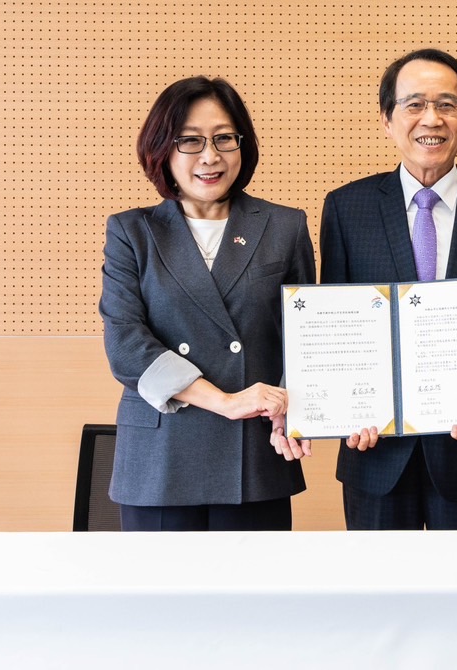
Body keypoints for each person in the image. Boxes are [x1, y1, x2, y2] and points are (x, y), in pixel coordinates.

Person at [319, 48, 457, 530]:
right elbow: (335, 328)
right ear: (387, 119)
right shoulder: (346, 209)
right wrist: (348, 405)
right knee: (380, 580)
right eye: (414, 104)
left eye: (447, 104)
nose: (431, 119)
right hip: (374, 449)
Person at [100, 76, 315, 531]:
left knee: (255, 580)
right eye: (190, 140)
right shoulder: (132, 232)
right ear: (163, 149)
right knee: (160, 581)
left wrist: (292, 412)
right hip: (161, 459)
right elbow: (126, 346)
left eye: (224, 138)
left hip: (255, 453)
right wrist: (225, 401)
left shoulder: (284, 226)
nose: (210, 156)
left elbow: (304, 338)